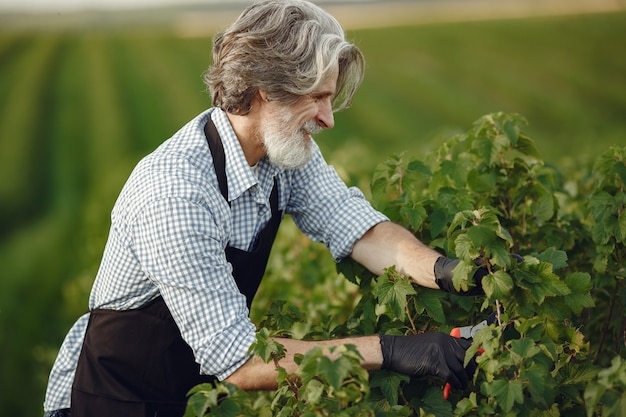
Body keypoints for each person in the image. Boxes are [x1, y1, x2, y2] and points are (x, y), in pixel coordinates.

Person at [43, 1, 485, 416]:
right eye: (316, 96)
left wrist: (450, 271)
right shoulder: (177, 193)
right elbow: (240, 362)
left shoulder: (281, 154)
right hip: (114, 398)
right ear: (264, 91)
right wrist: (395, 351)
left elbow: (357, 229)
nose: (328, 118)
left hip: (187, 394)